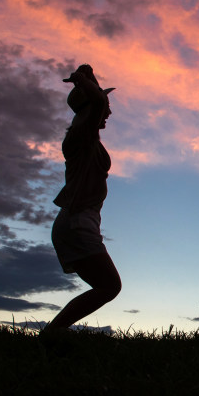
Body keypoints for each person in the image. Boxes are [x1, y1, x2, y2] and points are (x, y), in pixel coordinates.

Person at [42, 64, 121, 334]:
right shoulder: (80, 137)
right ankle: (52, 334)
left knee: (107, 286)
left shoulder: (89, 137)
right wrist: (80, 79)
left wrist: (88, 77)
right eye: (105, 106)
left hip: (80, 221)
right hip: (76, 222)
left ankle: (53, 335)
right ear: (90, 108)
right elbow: (97, 100)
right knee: (109, 286)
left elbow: (97, 98)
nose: (108, 111)